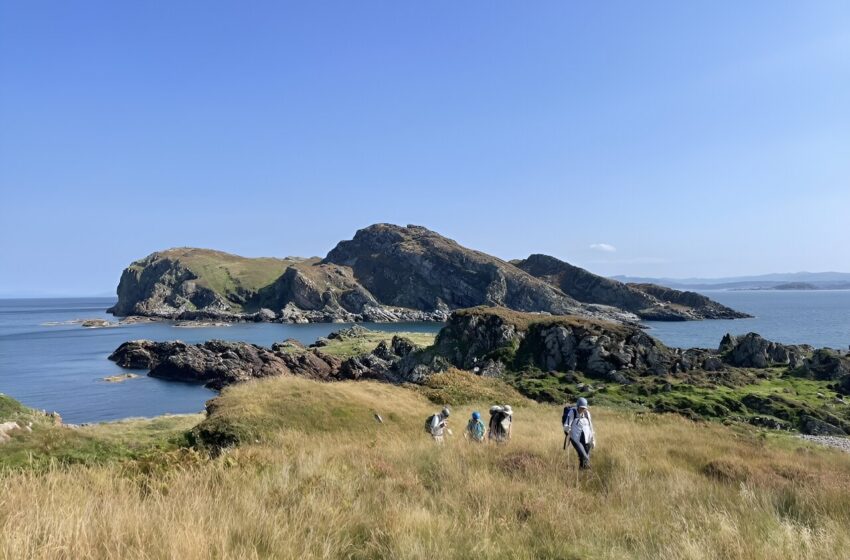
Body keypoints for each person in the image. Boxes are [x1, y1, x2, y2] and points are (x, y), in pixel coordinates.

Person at [563, 397, 595, 469]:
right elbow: (566, 425)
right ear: (577, 406)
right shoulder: (572, 412)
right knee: (585, 457)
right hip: (576, 438)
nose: (582, 410)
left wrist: (593, 440)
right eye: (581, 408)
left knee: (582, 458)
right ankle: (589, 471)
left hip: (587, 438)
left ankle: (582, 474)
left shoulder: (587, 413)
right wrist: (569, 433)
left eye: (584, 408)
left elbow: (590, 426)